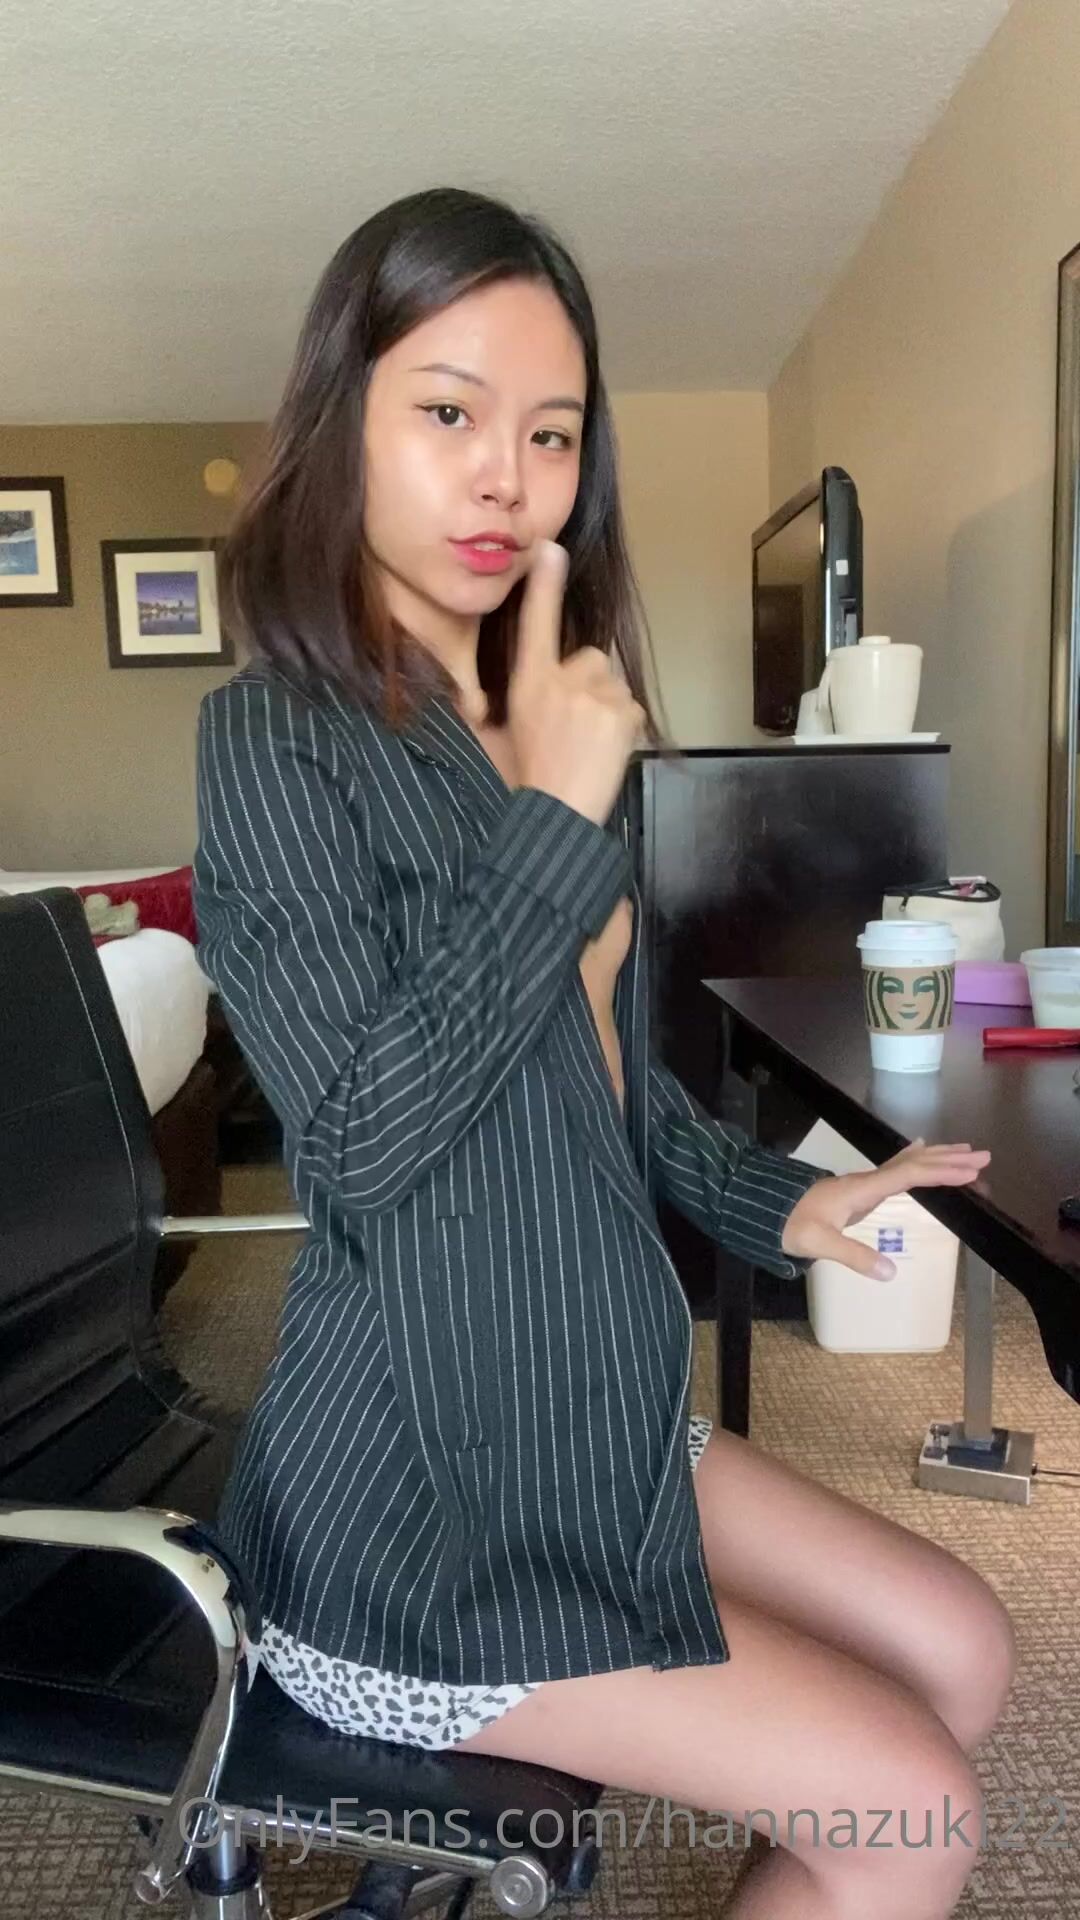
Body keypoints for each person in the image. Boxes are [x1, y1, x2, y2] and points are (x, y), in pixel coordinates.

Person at [193, 187, 1014, 1918]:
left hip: (594, 1413)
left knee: (963, 1643)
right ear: (341, 423)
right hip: (420, 1512)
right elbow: (355, 1148)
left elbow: (602, 1086)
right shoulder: (276, 739)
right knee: (917, 1811)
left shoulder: (547, 715)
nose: (507, 476)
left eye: (552, 433)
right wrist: (556, 822)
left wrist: (780, 1203)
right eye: (449, 412)